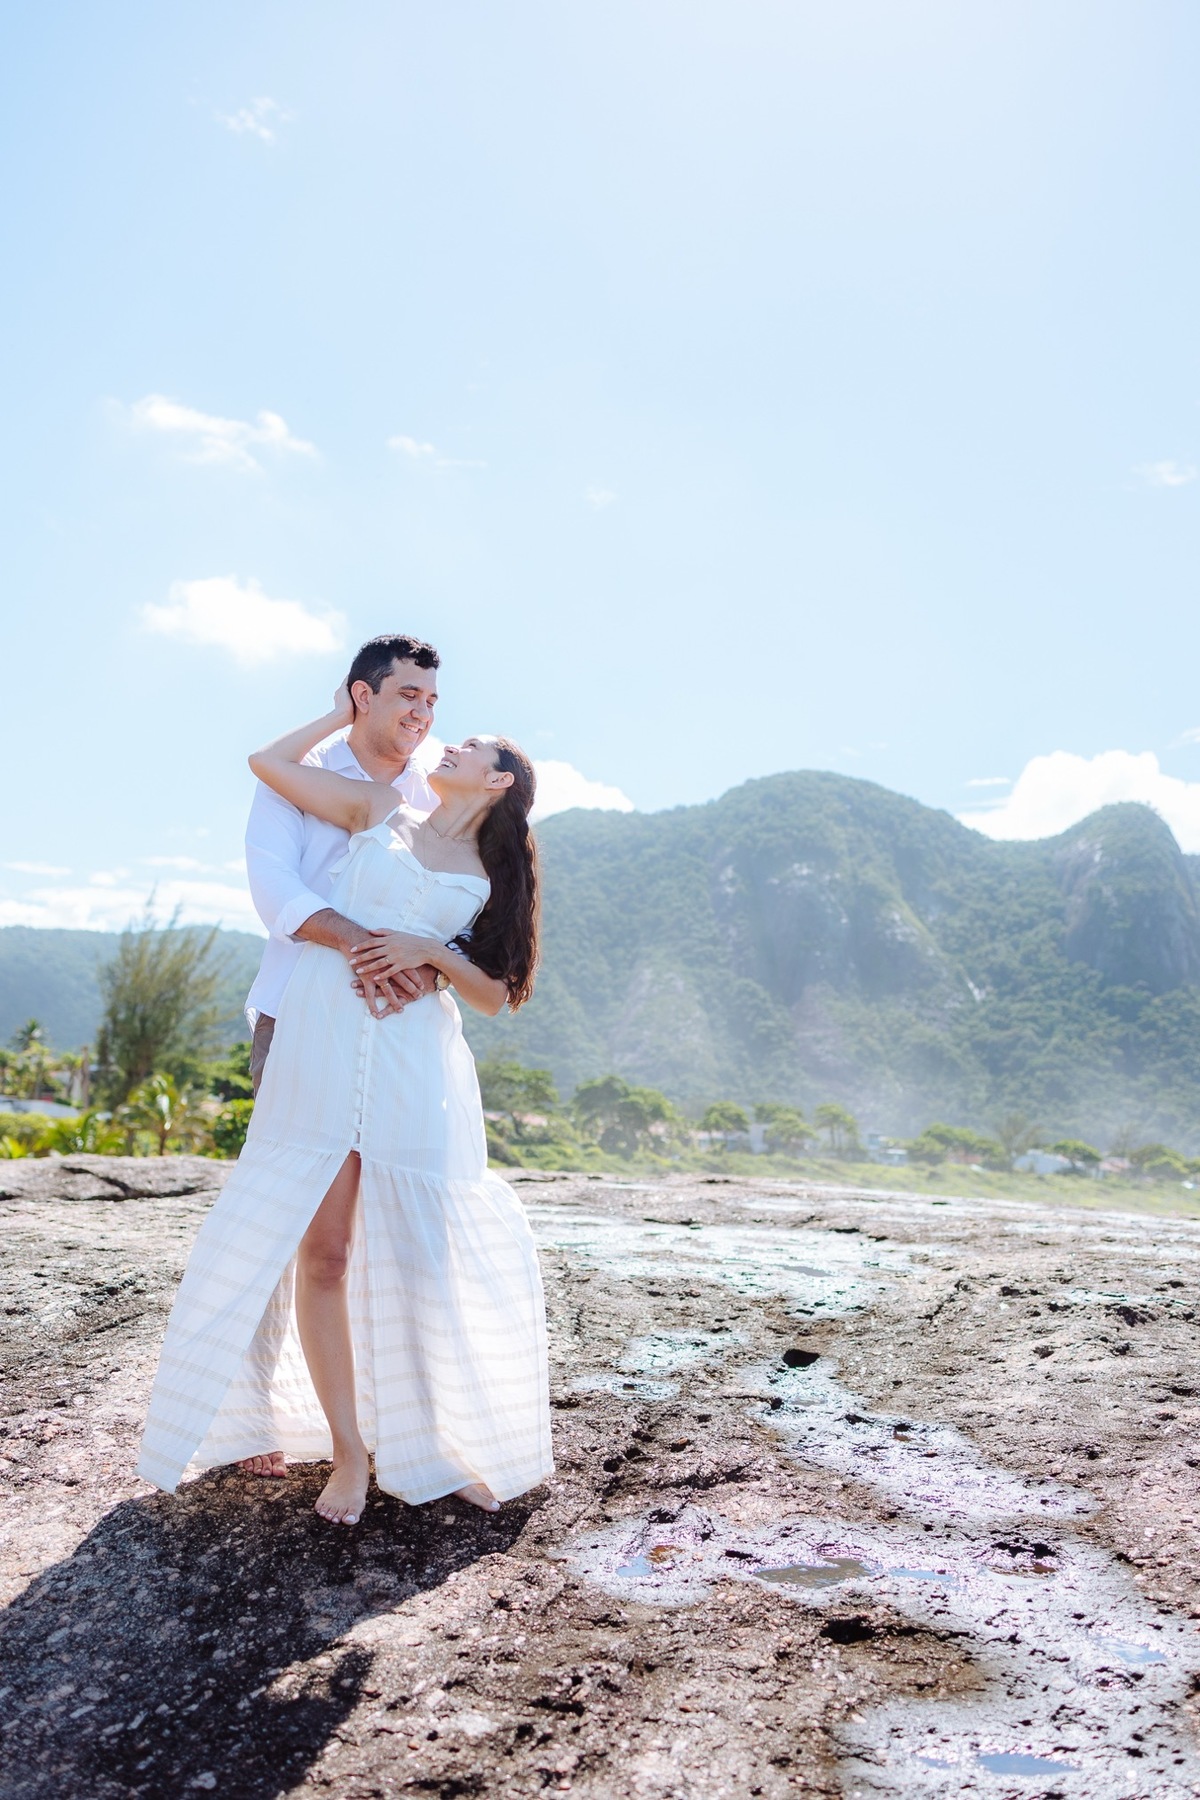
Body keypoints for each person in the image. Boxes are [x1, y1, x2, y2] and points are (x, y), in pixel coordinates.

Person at [136, 689, 553, 1524]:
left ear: (499, 782)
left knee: (419, 1260)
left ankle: (429, 1441)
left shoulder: (495, 876)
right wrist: (340, 712)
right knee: (323, 1254)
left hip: (409, 1063)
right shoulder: (378, 808)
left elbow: (501, 995)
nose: (448, 739)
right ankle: (351, 1453)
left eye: (470, 744)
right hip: (322, 1040)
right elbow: (269, 767)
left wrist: (430, 951)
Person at [244, 633, 442, 1098]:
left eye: (431, 700)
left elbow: (471, 897)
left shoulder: (442, 790)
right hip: (294, 1008)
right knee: (287, 1169)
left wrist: (433, 969)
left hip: (403, 1015)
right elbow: (274, 888)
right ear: (361, 696)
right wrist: (362, 947)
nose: (423, 714)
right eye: (408, 696)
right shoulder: (292, 772)